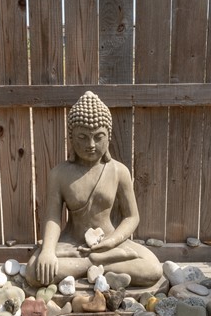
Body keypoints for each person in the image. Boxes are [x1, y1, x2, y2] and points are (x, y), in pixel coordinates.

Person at [25, 91, 162, 288]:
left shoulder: (119, 171)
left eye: (98, 137)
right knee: (33, 272)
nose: (90, 145)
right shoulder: (59, 174)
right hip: (72, 244)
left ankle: (91, 264)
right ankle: (98, 265)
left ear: (108, 137)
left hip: (110, 242)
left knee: (153, 269)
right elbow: (53, 218)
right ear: (71, 138)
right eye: (82, 137)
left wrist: (111, 242)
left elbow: (132, 217)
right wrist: (47, 250)